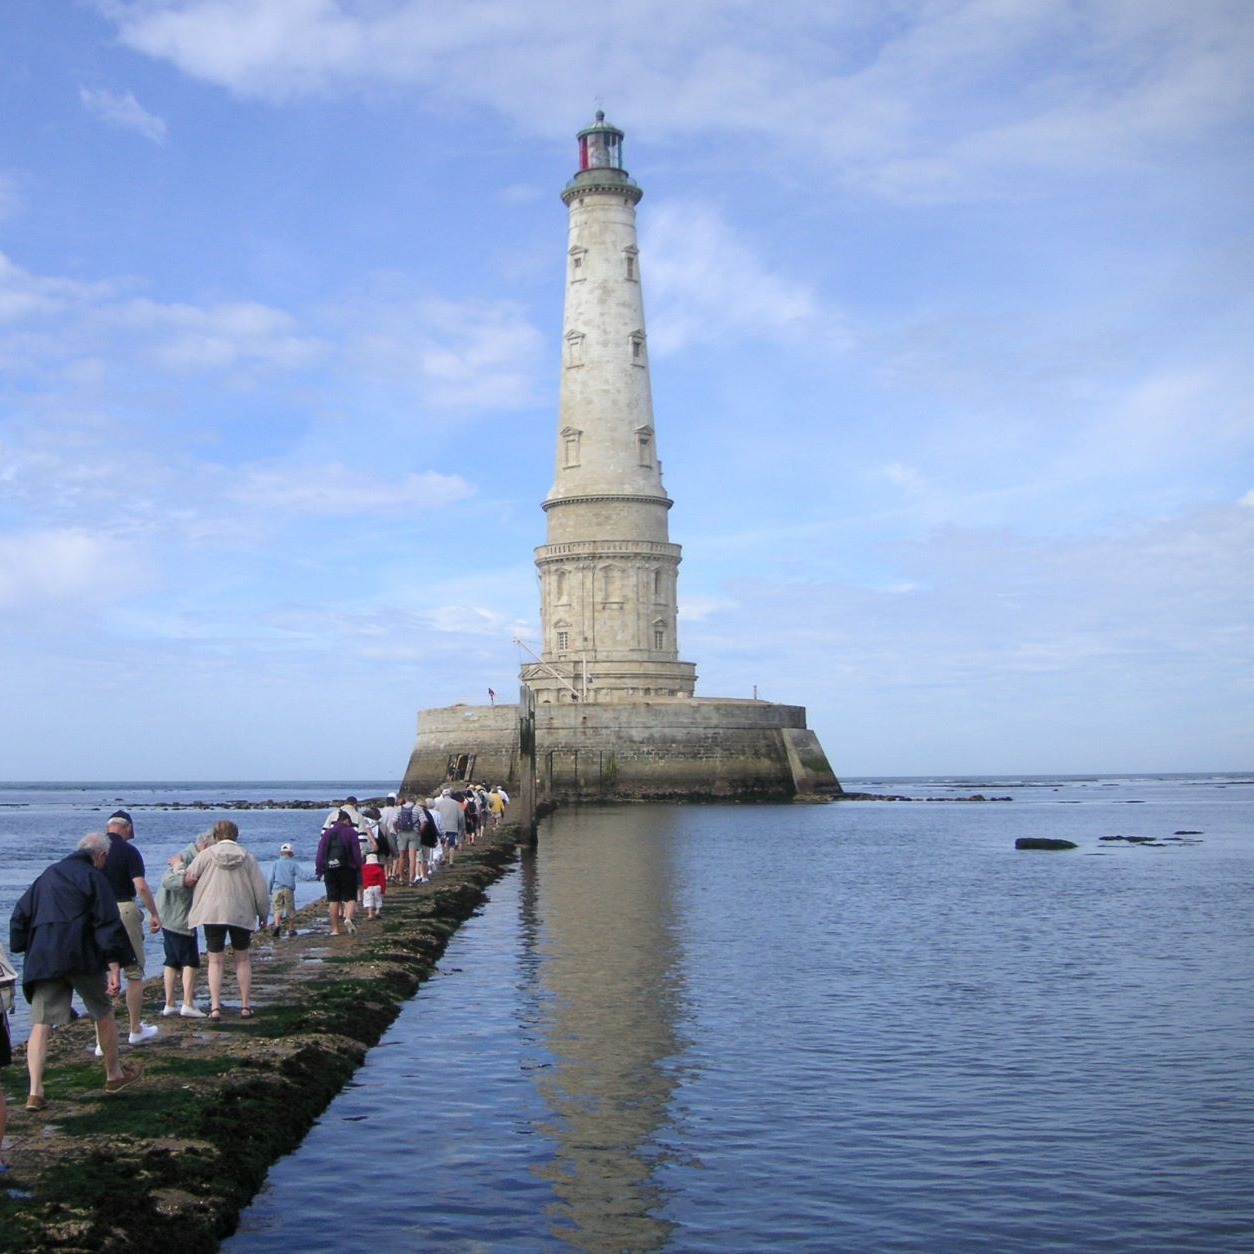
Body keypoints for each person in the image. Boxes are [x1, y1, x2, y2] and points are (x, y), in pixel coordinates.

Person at [10, 833, 143, 1110]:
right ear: (100, 856)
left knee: (41, 1022)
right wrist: (115, 966)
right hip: (82, 956)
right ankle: (113, 1075)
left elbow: (19, 915)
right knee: (102, 1011)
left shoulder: (48, 875)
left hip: (45, 956)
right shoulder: (94, 877)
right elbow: (107, 923)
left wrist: (23, 947)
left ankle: (35, 1091)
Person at [184, 820, 269, 1020]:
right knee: (242, 958)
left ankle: (215, 1007)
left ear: (216, 836)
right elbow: (260, 890)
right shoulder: (247, 857)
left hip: (212, 912)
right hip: (241, 911)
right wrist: (264, 914)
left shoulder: (205, 855)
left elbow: (189, 877)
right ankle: (245, 1006)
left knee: (215, 960)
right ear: (236, 835)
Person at [100, 809, 161, 1047]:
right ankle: (135, 1028)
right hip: (124, 908)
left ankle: (100, 1038)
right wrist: (154, 913)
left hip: (98, 911)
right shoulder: (129, 851)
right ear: (127, 828)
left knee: (104, 971)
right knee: (134, 971)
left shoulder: (94, 851)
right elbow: (141, 886)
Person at [156, 831, 213, 1018]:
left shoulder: (185, 857)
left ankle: (170, 1003)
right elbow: (167, 880)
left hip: (169, 916)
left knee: (171, 960)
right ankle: (187, 1003)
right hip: (178, 917)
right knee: (190, 960)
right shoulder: (187, 858)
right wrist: (184, 880)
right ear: (205, 846)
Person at [315, 810, 363, 936]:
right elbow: (356, 853)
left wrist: (319, 870)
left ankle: (335, 929)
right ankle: (347, 918)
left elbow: (320, 852)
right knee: (351, 897)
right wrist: (359, 866)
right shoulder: (351, 833)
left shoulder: (327, 833)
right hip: (348, 869)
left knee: (333, 899)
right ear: (346, 821)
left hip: (330, 870)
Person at [268, 842, 305, 938]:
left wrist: (269, 890)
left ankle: (277, 925)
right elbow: (302, 875)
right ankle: (291, 929)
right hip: (288, 889)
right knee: (290, 909)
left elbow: (271, 878)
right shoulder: (293, 864)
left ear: (281, 853)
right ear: (291, 853)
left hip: (277, 889)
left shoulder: (275, 863)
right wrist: (316, 876)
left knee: (277, 909)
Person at [434, 789, 464, 866]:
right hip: (452, 827)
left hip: (442, 827)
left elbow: (435, 815)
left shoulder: (438, 803)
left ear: (443, 795)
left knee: (442, 843)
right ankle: (451, 861)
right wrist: (462, 827)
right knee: (452, 844)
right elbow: (461, 816)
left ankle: (443, 858)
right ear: (450, 795)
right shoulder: (456, 804)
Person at [361, 853, 386, 920]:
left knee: (369, 900)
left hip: (368, 887)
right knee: (378, 899)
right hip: (377, 886)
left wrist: (364, 886)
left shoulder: (363, 869)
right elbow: (382, 881)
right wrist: (383, 890)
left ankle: (370, 914)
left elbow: (363, 878)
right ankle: (377, 911)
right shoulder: (379, 869)